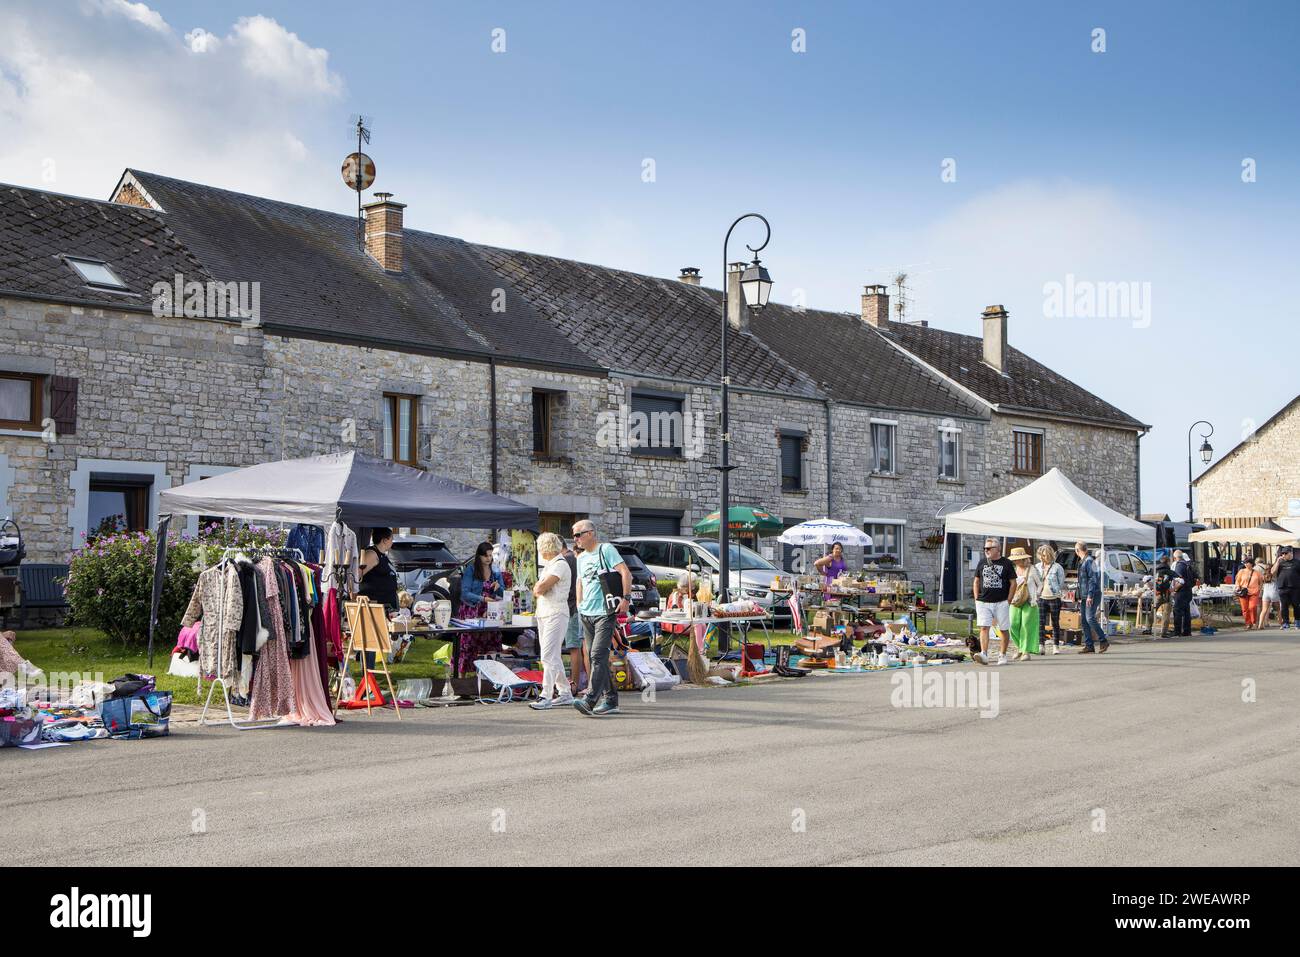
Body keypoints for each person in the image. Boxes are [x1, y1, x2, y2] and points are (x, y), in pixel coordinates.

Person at [571, 520, 631, 716]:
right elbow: (580, 581)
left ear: (590, 533)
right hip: (587, 612)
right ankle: (611, 700)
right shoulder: (580, 558)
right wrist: (580, 603)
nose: (575, 539)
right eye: (574, 535)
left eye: (578, 534)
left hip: (605, 611)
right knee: (595, 657)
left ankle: (590, 699)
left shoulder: (605, 549)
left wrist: (626, 598)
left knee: (597, 654)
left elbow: (625, 573)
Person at [529, 532, 574, 710]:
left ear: (546, 548)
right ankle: (565, 692)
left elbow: (540, 587)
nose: (539, 551)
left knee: (547, 655)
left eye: (540, 548)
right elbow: (538, 589)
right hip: (546, 613)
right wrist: (539, 588)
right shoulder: (551, 565)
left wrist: (539, 588)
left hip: (556, 613)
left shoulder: (560, 564)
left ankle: (546, 695)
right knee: (553, 655)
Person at [457, 541, 505, 675]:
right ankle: (463, 676)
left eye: (490, 556)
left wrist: (498, 588)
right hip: (472, 610)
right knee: (469, 644)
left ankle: (491, 675)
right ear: (479, 556)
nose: (489, 559)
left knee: (492, 642)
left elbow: (503, 592)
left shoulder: (495, 571)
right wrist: (482, 598)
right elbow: (465, 593)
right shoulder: (471, 570)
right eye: (486, 556)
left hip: (490, 612)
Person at [972, 538, 1016, 665]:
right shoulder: (981, 562)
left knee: (1003, 629)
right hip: (983, 601)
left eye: (989, 548)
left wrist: (1009, 599)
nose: (986, 551)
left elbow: (1013, 583)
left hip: (1001, 601)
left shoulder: (1006, 563)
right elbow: (976, 581)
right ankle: (984, 654)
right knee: (984, 627)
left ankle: (1002, 654)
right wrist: (976, 598)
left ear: (997, 549)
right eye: (985, 548)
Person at [560, 539, 586, 694]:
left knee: (574, 647)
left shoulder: (567, 559)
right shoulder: (573, 557)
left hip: (572, 607)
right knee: (579, 646)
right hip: (577, 606)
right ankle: (580, 683)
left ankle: (574, 684)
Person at [1008, 546, 1043, 661]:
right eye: (1014, 560)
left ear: (1023, 559)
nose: (1015, 561)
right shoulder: (1013, 569)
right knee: (1013, 624)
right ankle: (1019, 647)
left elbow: (1040, 584)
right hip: (1014, 601)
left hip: (1029, 602)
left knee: (1026, 626)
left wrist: (1036, 595)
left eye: (1017, 559)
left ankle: (1025, 651)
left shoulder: (1032, 569)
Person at [1076, 542, 1109, 654]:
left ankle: (1103, 640)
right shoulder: (1083, 561)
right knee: (1084, 620)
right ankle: (1089, 645)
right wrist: (1080, 595)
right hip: (1085, 594)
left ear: (1077, 550)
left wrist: (1090, 595)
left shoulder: (1089, 561)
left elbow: (1093, 579)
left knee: (1090, 618)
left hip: (1092, 594)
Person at [357, 527, 399, 611]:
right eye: (391, 539)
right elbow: (355, 575)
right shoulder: (372, 554)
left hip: (387, 606)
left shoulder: (383, 555)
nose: (392, 542)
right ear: (384, 540)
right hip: (374, 606)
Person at [1035, 544, 1066, 654]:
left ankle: (1056, 646)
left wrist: (1056, 590)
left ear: (1050, 555)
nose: (1044, 557)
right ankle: (1041, 645)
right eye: (1042, 555)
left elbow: (1061, 583)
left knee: (1055, 622)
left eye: (1046, 555)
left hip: (1054, 597)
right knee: (1040, 622)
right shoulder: (1038, 567)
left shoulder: (1057, 567)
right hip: (1041, 597)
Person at [1272, 545, 1300, 630]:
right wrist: (1277, 562)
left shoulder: (1297, 562)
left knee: (1296, 605)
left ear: (1290, 553)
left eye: (1285, 553)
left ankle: (1297, 622)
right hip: (1282, 587)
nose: (1283, 555)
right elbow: (1272, 572)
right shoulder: (1280, 562)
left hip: (1295, 587)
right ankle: (1286, 623)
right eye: (1282, 553)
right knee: (1284, 606)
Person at [1171, 549, 1196, 638]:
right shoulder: (1187, 564)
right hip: (1188, 591)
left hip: (1181, 591)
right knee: (1186, 612)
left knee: (1177, 611)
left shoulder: (1179, 566)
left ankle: (1177, 631)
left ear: (1175, 557)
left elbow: (1179, 580)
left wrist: (1174, 590)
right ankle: (1187, 631)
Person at [1234, 556, 1262, 629]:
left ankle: (1254, 622)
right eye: (1245, 563)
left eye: (1247, 563)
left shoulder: (1257, 573)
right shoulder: (1241, 571)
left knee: (1252, 607)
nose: (1246, 564)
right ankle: (1248, 623)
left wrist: (1259, 589)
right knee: (1245, 609)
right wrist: (1237, 586)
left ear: (1252, 564)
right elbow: (1237, 581)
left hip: (1254, 592)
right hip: (1243, 592)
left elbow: (1261, 582)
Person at [1150, 556, 1174, 638]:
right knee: (1166, 613)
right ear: (1167, 562)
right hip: (1166, 594)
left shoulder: (1155, 570)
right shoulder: (1169, 571)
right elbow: (1176, 579)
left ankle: (1148, 628)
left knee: (1153, 610)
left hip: (1157, 593)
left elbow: (1151, 580)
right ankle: (1164, 632)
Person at [1259, 559, 1278, 630]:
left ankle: (1260, 624)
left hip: (1265, 593)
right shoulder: (1274, 574)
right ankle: (1282, 624)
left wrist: (1260, 590)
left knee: (1264, 610)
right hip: (1274, 593)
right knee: (1278, 609)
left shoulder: (1263, 575)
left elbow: (1261, 585)